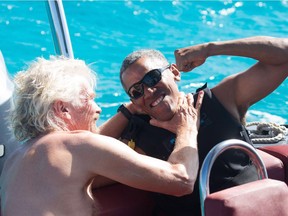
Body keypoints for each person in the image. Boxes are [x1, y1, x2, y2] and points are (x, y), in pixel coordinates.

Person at [0, 56, 204, 216]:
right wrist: (187, 127)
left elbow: (97, 145)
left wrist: (130, 109)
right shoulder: (76, 146)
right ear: (63, 109)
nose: (97, 109)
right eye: (88, 99)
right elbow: (181, 180)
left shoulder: (16, 159)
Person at [119, 36, 288, 215]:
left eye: (152, 77)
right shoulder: (138, 139)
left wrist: (210, 49)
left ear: (175, 73)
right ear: (134, 101)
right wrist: (126, 112)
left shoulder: (220, 100)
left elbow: (284, 55)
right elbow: (89, 149)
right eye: (137, 91)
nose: (149, 91)